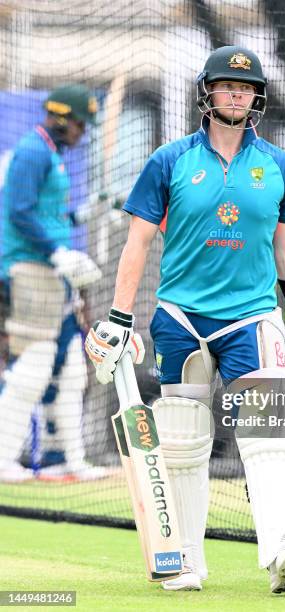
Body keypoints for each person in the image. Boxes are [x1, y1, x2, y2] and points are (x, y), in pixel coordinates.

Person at [85, 46, 285, 594]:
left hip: (252, 316)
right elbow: (138, 243)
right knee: (183, 439)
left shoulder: (278, 165)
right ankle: (185, 560)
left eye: (246, 88)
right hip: (181, 317)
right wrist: (120, 318)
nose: (237, 94)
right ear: (208, 92)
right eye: (227, 85)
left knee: (270, 435)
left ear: (257, 97)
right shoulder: (170, 161)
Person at [0, 84, 107, 482]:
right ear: (63, 118)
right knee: (34, 365)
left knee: (73, 370)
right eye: (81, 123)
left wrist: (84, 215)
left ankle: (73, 459)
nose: (83, 132)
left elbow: (49, 215)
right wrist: (58, 253)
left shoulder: (52, 152)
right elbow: (19, 214)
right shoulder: (32, 151)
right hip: (29, 269)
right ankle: (3, 458)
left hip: (52, 272)